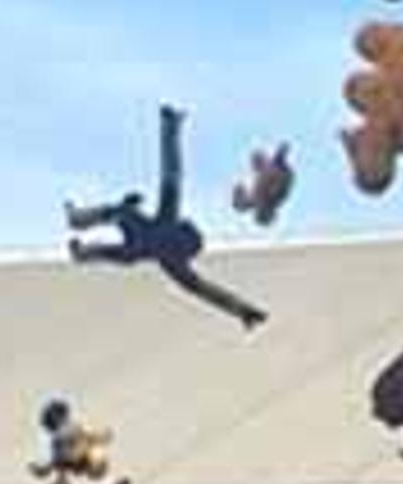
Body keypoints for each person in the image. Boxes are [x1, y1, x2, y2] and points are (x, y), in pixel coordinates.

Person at [68, 106, 270, 331]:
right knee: (113, 233)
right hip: (135, 247)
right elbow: (207, 291)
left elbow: (171, 172)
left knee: (118, 216)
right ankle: (82, 243)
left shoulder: (169, 224)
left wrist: (170, 126)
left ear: (184, 232)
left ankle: (79, 226)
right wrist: (243, 311)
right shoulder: (175, 262)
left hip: (137, 239)